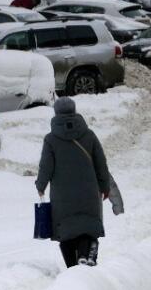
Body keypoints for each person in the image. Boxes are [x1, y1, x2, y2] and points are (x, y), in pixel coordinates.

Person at [36, 97, 111, 268]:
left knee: (66, 231)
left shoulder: (51, 140)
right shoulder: (89, 135)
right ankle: (86, 256)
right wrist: (105, 187)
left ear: (56, 113)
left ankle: (72, 268)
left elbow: (45, 166)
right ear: (74, 110)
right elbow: (101, 163)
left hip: (62, 196)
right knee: (87, 225)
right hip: (89, 192)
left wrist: (41, 186)